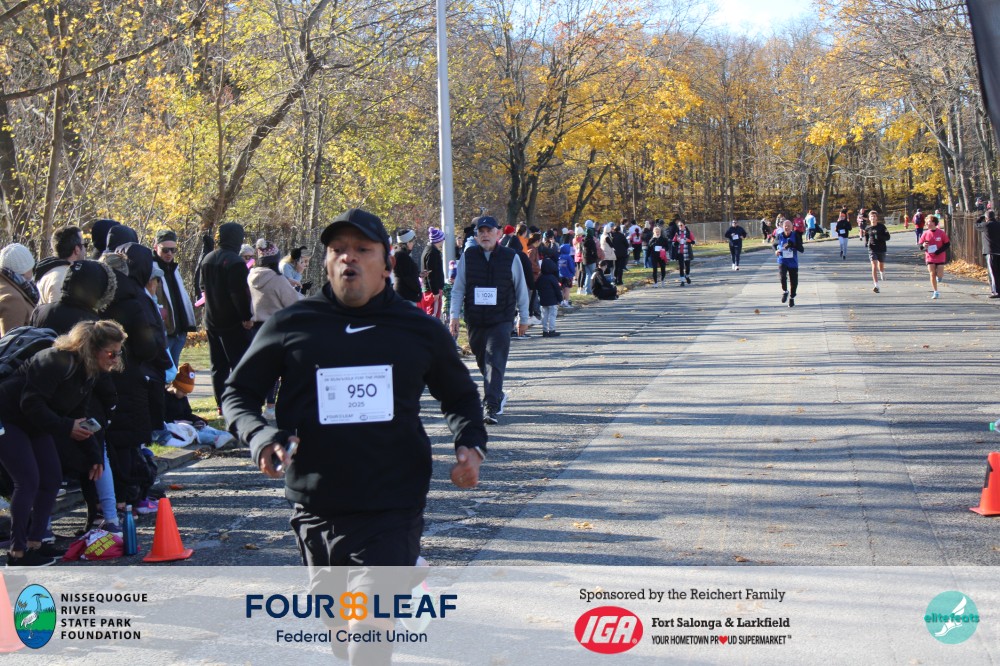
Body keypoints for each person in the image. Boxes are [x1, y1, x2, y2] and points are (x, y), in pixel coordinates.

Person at [222, 209, 486, 663]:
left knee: (368, 638)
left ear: (387, 263)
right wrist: (260, 436)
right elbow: (237, 393)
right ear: (326, 262)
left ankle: (401, 575)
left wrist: (470, 444)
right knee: (343, 637)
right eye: (338, 250)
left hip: (392, 504)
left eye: (362, 249)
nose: (349, 258)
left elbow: (460, 396)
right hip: (316, 504)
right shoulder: (293, 324)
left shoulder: (418, 328)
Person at [0, 319, 125, 566]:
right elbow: (30, 403)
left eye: (119, 353)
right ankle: (17, 552)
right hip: (8, 418)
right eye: (111, 353)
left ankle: (36, 544)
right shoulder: (55, 361)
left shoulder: (88, 371)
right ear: (91, 348)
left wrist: (94, 455)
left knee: (51, 479)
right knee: (27, 481)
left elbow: (80, 414)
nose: (115, 359)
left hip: (34, 422)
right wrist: (67, 427)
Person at [30, 259, 121, 534]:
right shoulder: (91, 323)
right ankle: (106, 516)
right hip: (82, 397)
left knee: (48, 466)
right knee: (97, 458)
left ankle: (42, 527)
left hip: (51, 399)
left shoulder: (42, 311)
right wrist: (111, 401)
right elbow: (101, 371)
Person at [450, 215, 530, 425]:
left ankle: (491, 405)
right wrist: (454, 316)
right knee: (482, 360)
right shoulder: (468, 256)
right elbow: (458, 289)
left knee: (494, 360)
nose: (485, 235)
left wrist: (524, 317)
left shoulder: (511, 257)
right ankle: (497, 394)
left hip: (502, 318)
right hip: (476, 319)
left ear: (498, 234)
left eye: (489, 231)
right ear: (476, 236)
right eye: (481, 232)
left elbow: (521, 288)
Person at [200, 222, 254, 410]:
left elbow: (201, 286)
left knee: (218, 365)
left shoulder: (208, 258)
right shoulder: (235, 262)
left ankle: (221, 404)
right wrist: (246, 316)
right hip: (232, 321)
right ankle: (238, 401)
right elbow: (239, 293)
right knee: (239, 363)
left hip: (211, 319)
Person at [249, 240, 302, 418]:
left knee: (262, 369)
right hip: (277, 327)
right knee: (281, 369)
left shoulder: (250, 277)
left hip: (256, 328)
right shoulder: (277, 280)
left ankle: (261, 404)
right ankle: (273, 406)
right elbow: (292, 302)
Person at [153, 229, 196, 366]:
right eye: (165, 250)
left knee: (173, 371)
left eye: (173, 250)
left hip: (179, 331)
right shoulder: (151, 269)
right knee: (163, 371)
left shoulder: (174, 269)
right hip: (164, 331)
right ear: (156, 247)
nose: (169, 254)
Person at [34, 225, 86, 304]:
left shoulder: (48, 269)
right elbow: (59, 310)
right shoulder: (63, 279)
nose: (85, 249)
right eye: (84, 245)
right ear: (77, 249)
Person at [0, 242, 38, 336]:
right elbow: (11, 341)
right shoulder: (12, 299)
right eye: (31, 267)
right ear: (24, 269)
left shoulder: (5, 284)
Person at [772, 218, 804, 308]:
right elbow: (774, 245)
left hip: (793, 262)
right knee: (782, 277)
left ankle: (792, 297)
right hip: (782, 260)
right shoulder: (779, 236)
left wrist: (793, 245)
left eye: (789, 226)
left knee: (794, 282)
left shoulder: (795, 235)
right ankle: (785, 291)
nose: (787, 227)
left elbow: (801, 249)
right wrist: (776, 251)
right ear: (783, 227)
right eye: (785, 226)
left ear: (792, 227)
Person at [919, 215, 949, 299]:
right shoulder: (925, 233)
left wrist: (939, 251)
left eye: (930, 222)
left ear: (934, 223)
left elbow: (947, 244)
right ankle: (935, 292)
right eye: (927, 222)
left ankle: (939, 277)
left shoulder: (941, 233)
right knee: (932, 274)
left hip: (940, 256)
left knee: (940, 274)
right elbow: (920, 246)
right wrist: (923, 245)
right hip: (930, 256)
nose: (928, 223)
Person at [421, 227, 446, 319]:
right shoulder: (432, 252)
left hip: (429, 288)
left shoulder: (428, 250)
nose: (443, 241)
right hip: (432, 290)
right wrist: (435, 292)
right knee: (433, 315)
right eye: (442, 239)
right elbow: (431, 274)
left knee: (431, 314)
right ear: (438, 240)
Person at [391, 229, 421, 304]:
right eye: (412, 241)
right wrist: (418, 289)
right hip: (406, 295)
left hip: (402, 294)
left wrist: (419, 273)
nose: (413, 244)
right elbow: (407, 277)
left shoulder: (399, 254)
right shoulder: (402, 256)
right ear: (408, 243)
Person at [865, 210, 891, 293]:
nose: (873, 218)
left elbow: (888, 237)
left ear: (877, 218)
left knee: (881, 266)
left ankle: (882, 272)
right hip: (872, 249)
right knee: (874, 266)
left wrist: (880, 237)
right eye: (871, 216)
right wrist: (866, 243)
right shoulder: (867, 228)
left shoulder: (882, 227)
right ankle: (876, 285)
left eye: (874, 216)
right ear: (869, 218)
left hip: (881, 248)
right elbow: (866, 236)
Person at [976, 211, 1000, 298]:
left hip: (991, 252)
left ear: (986, 218)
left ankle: (995, 291)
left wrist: (980, 218)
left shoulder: (985, 225)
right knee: (998, 272)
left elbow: (976, 225)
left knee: (993, 273)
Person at [536, 258, 562, 337]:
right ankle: (551, 330)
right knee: (552, 315)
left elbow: (536, 287)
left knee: (544, 315)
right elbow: (557, 289)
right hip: (552, 300)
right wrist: (560, 299)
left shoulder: (540, 278)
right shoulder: (552, 278)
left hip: (543, 300)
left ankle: (544, 330)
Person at [671, 220, 695, 285]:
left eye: (681, 225)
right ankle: (682, 281)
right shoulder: (677, 233)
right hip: (680, 253)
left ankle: (687, 276)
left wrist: (688, 240)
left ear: (684, 225)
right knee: (681, 267)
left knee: (687, 267)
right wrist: (677, 242)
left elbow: (694, 241)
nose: (680, 226)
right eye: (678, 225)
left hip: (687, 252)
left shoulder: (688, 232)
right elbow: (673, 243)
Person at [557, 240, 576, 306]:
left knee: (562, 289)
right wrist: (573, 272)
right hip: (568, 275)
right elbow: (571, 266)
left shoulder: (559, 256)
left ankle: (562, 301)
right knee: (567, 289)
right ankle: (566, 302)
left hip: (560, 275)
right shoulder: (569, 257)